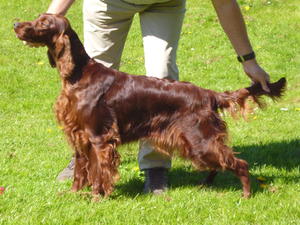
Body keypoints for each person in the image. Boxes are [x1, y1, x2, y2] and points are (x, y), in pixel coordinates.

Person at [48, 0, 270, 194]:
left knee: (162, 73)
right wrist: (48, 21)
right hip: (109, 3)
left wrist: (248, 60)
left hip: (164, 3)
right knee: (88, 83)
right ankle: (85, 163)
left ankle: (155, 167)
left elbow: (224, 3)